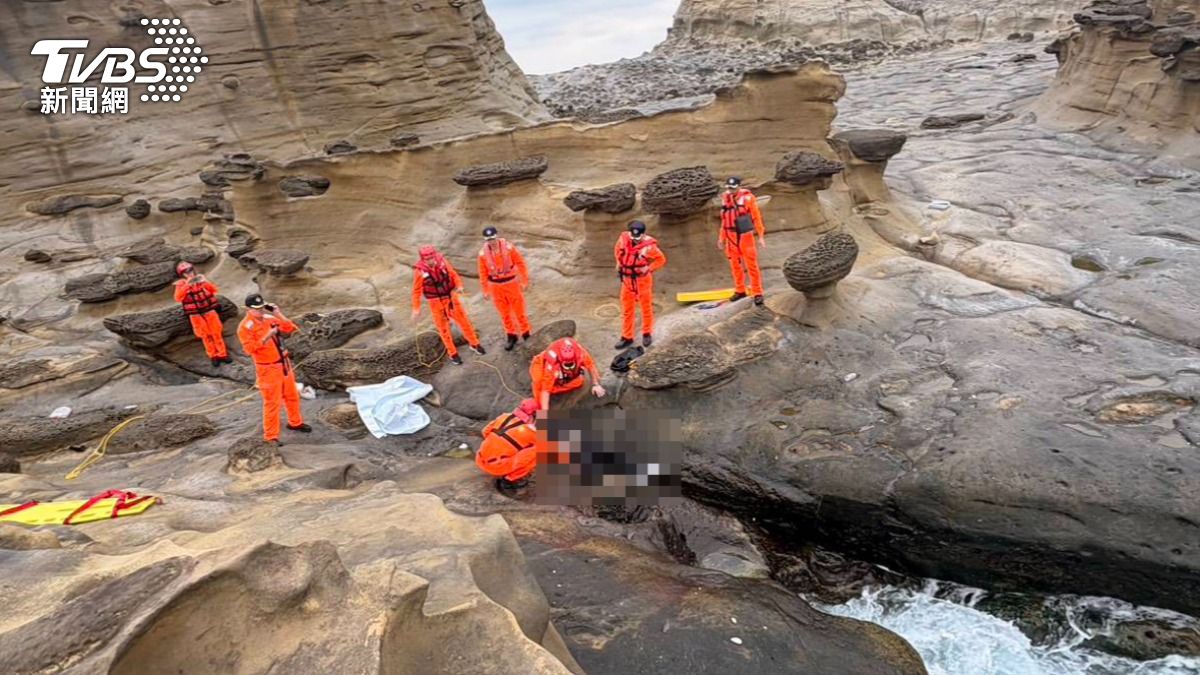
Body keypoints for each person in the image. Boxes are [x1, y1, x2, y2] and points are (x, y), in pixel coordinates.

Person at [236, 294, 311, 444]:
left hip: (284, 364)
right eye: (257, 309)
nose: (260, 311)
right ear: (248, 309)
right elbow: (249, 349)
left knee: (292, 396)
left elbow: (290, 328)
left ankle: (295, 423)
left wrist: (277, 313)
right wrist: (266, 337)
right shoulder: (245, 327)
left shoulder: (270, 319)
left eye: (262, 307)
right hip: (267, 369)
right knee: (272, 402)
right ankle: (271, 437)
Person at [411, 245, 485, 365]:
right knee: (443, 329)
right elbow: (416, 291)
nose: (430, 261)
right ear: (423, 260)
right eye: (427, 259)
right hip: (435, 302)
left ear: (435, 256)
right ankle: (453, 353)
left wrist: (459, 285)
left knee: (464, 322)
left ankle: (475, 344)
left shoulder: (443, 262)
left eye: (431, 257)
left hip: (450, 297)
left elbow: (453, 274)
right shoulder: (419, 272)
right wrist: (416, 309)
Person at [477, 227, 531, 351]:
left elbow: (521, 263)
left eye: (493, 239)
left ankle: (526, 334)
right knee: (504, 314)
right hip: (495, 287)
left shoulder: (509, 248)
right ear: (486, 241)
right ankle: (511, 336)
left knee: (519, 312)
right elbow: (482, 273)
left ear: (497, 237)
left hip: (511, 283)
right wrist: (485, 290)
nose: (492, 242)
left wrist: (524, 281)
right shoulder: (482, 255)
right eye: (489, 240)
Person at [614, 220, 666, 349]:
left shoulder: (650, 247)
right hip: (627, 281)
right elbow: (617, 250)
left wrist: (649, 268)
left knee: (645, 308)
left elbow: (661, 259)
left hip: (642, 281)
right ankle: (627, 337)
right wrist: (618, 262)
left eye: (638, 238)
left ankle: (647, 333)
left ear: (643, 235)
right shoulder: (623, 239)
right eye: (633, 237)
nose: (635, 240)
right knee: (627, 309)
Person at [719, 176, 767, 306]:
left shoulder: (748, 198)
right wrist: (721, 238)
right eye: (729, 188)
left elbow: (756, 217)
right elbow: (724, 219)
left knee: (751, 264)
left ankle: (757, 292)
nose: (731, 190)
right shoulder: (725, 197)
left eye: (733, 188)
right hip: (730, 235)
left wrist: (761, 236)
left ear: (739, 187)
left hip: (745, 235)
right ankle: (740, 290)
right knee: (735, 264)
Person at [173, 262, 230, 367]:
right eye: (186, 272)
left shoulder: (200, 280)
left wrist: (205, 281)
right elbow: (178, 298)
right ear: (182, 274)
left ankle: (223, 354)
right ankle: (213, 356)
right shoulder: (181, 284)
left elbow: (214, 290)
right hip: (195, 314)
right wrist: (187, 285)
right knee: (205, 335)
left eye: (190, 270)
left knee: (216, 332)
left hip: (209, 310)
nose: (189, 273)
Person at [476, 398, 541, 489]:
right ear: (534, 414)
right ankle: (511, 479)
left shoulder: (504, 417)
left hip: (480, 459)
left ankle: (504, 463)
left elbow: (484, 432)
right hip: (496, 468)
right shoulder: (529, 431)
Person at [529, 337, 605, 411]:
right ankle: (538, 407)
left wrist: (596, 384)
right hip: (540, 364)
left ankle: (558, 387)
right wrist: (544, 415)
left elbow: (590, 365)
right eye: (567, 365)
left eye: (571, 365)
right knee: (539, 382)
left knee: (579, 382)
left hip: (561, 374)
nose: (569, 368)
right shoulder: (552, 365)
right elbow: (545, 390)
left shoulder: (581, 354)